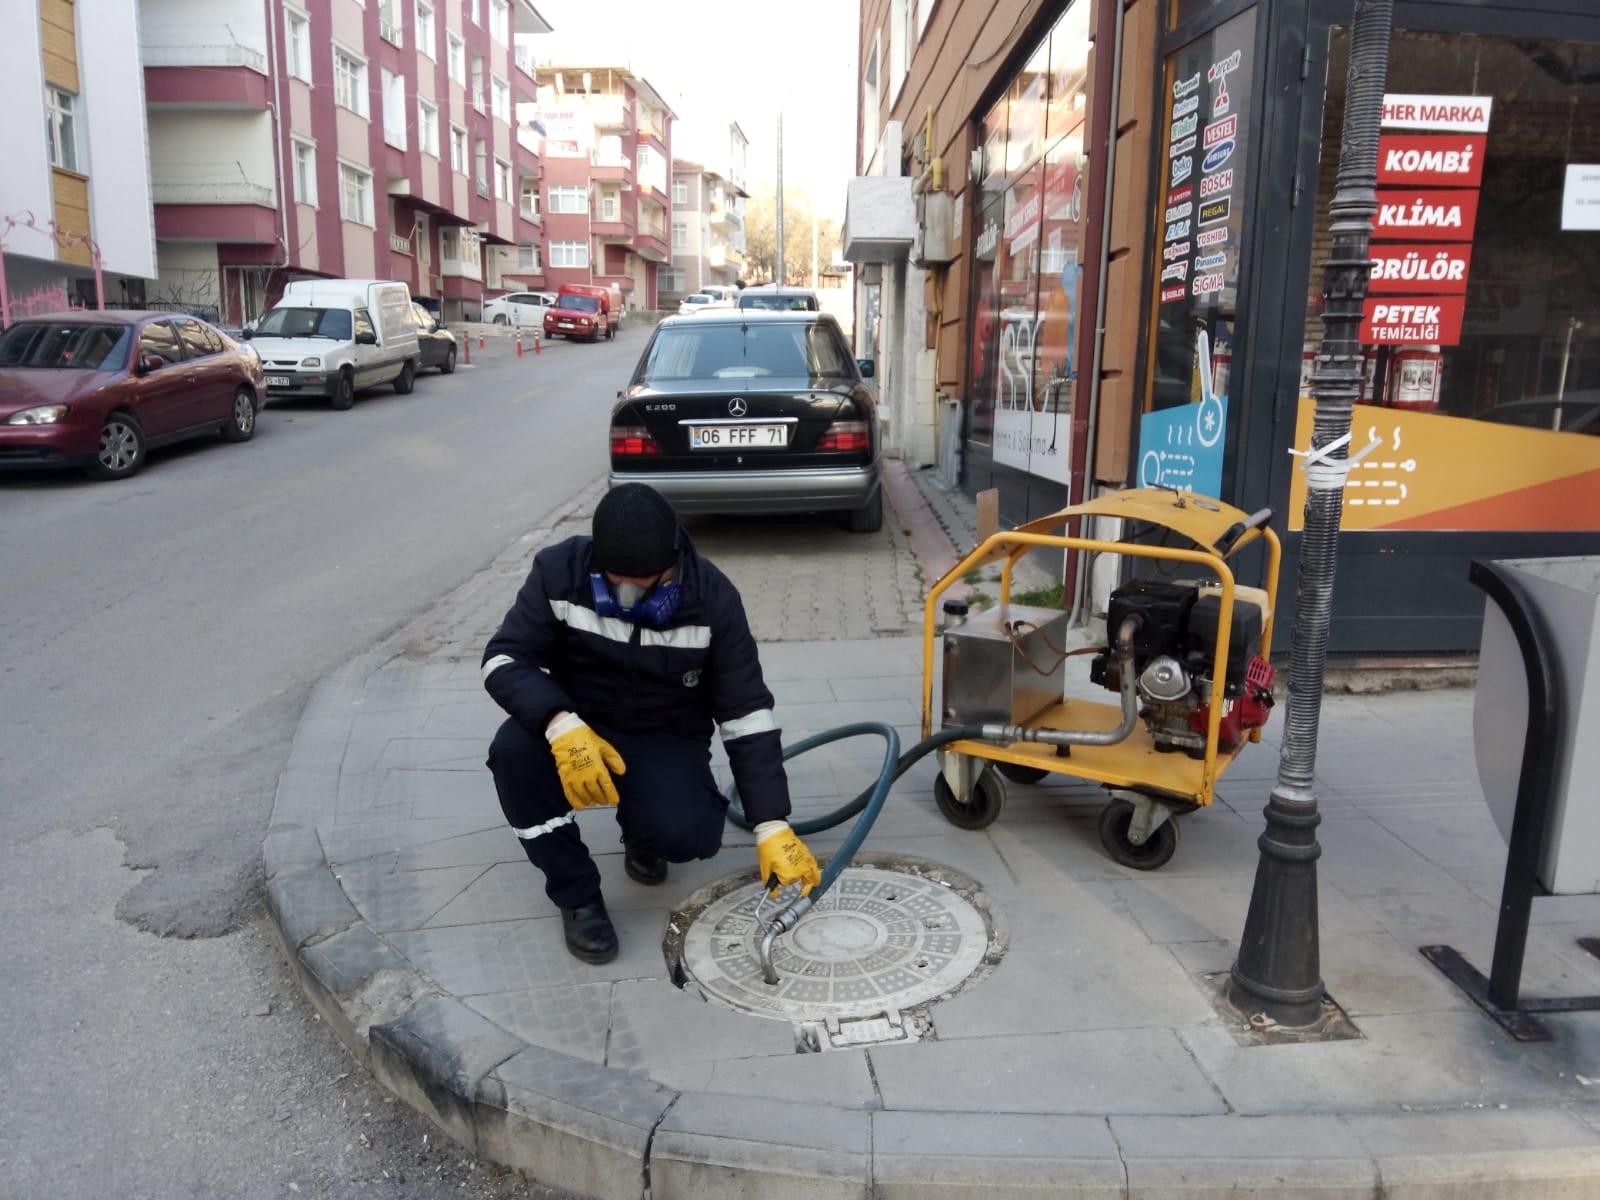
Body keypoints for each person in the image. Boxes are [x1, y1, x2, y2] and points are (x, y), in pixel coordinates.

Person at [481, 483, 821, 963]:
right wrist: (559, 722)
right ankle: (576, 895)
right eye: (614, 579)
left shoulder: (713, 600)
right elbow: (503, 659)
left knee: (689, 834)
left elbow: (746, 713)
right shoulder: (559, 572)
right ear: (596, 559)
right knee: (513, 754)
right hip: (576, 724)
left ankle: (642, 834)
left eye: (644, 584)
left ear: (673, 561)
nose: (626, 594)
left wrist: (771, 823)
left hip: (664, 732)